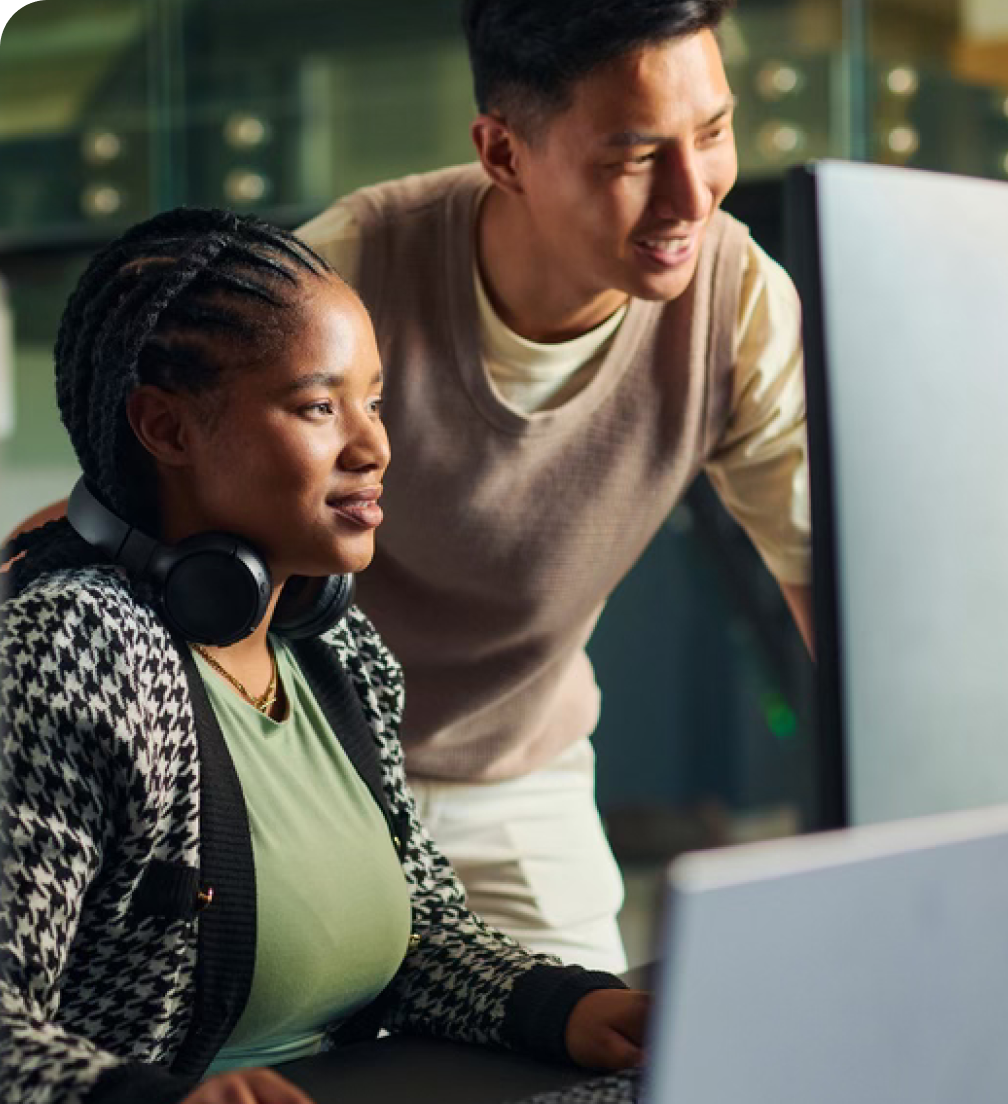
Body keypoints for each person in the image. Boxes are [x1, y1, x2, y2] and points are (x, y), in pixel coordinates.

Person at [0, 207, 649, 1104]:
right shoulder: (73, 652)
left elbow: (419, 931)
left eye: (375, 402)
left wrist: (576, 1008)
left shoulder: (335, 651)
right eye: (317, 408)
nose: (375, 446)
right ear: (166, 427)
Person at [293, 0, 813, 973]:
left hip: (519, 777)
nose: (690, 195)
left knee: (594, 1096)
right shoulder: (345, 275)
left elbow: (838, 601)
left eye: (713, 133)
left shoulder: (735, 300)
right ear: (502, 153)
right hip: (307, 778)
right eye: (631, 158)